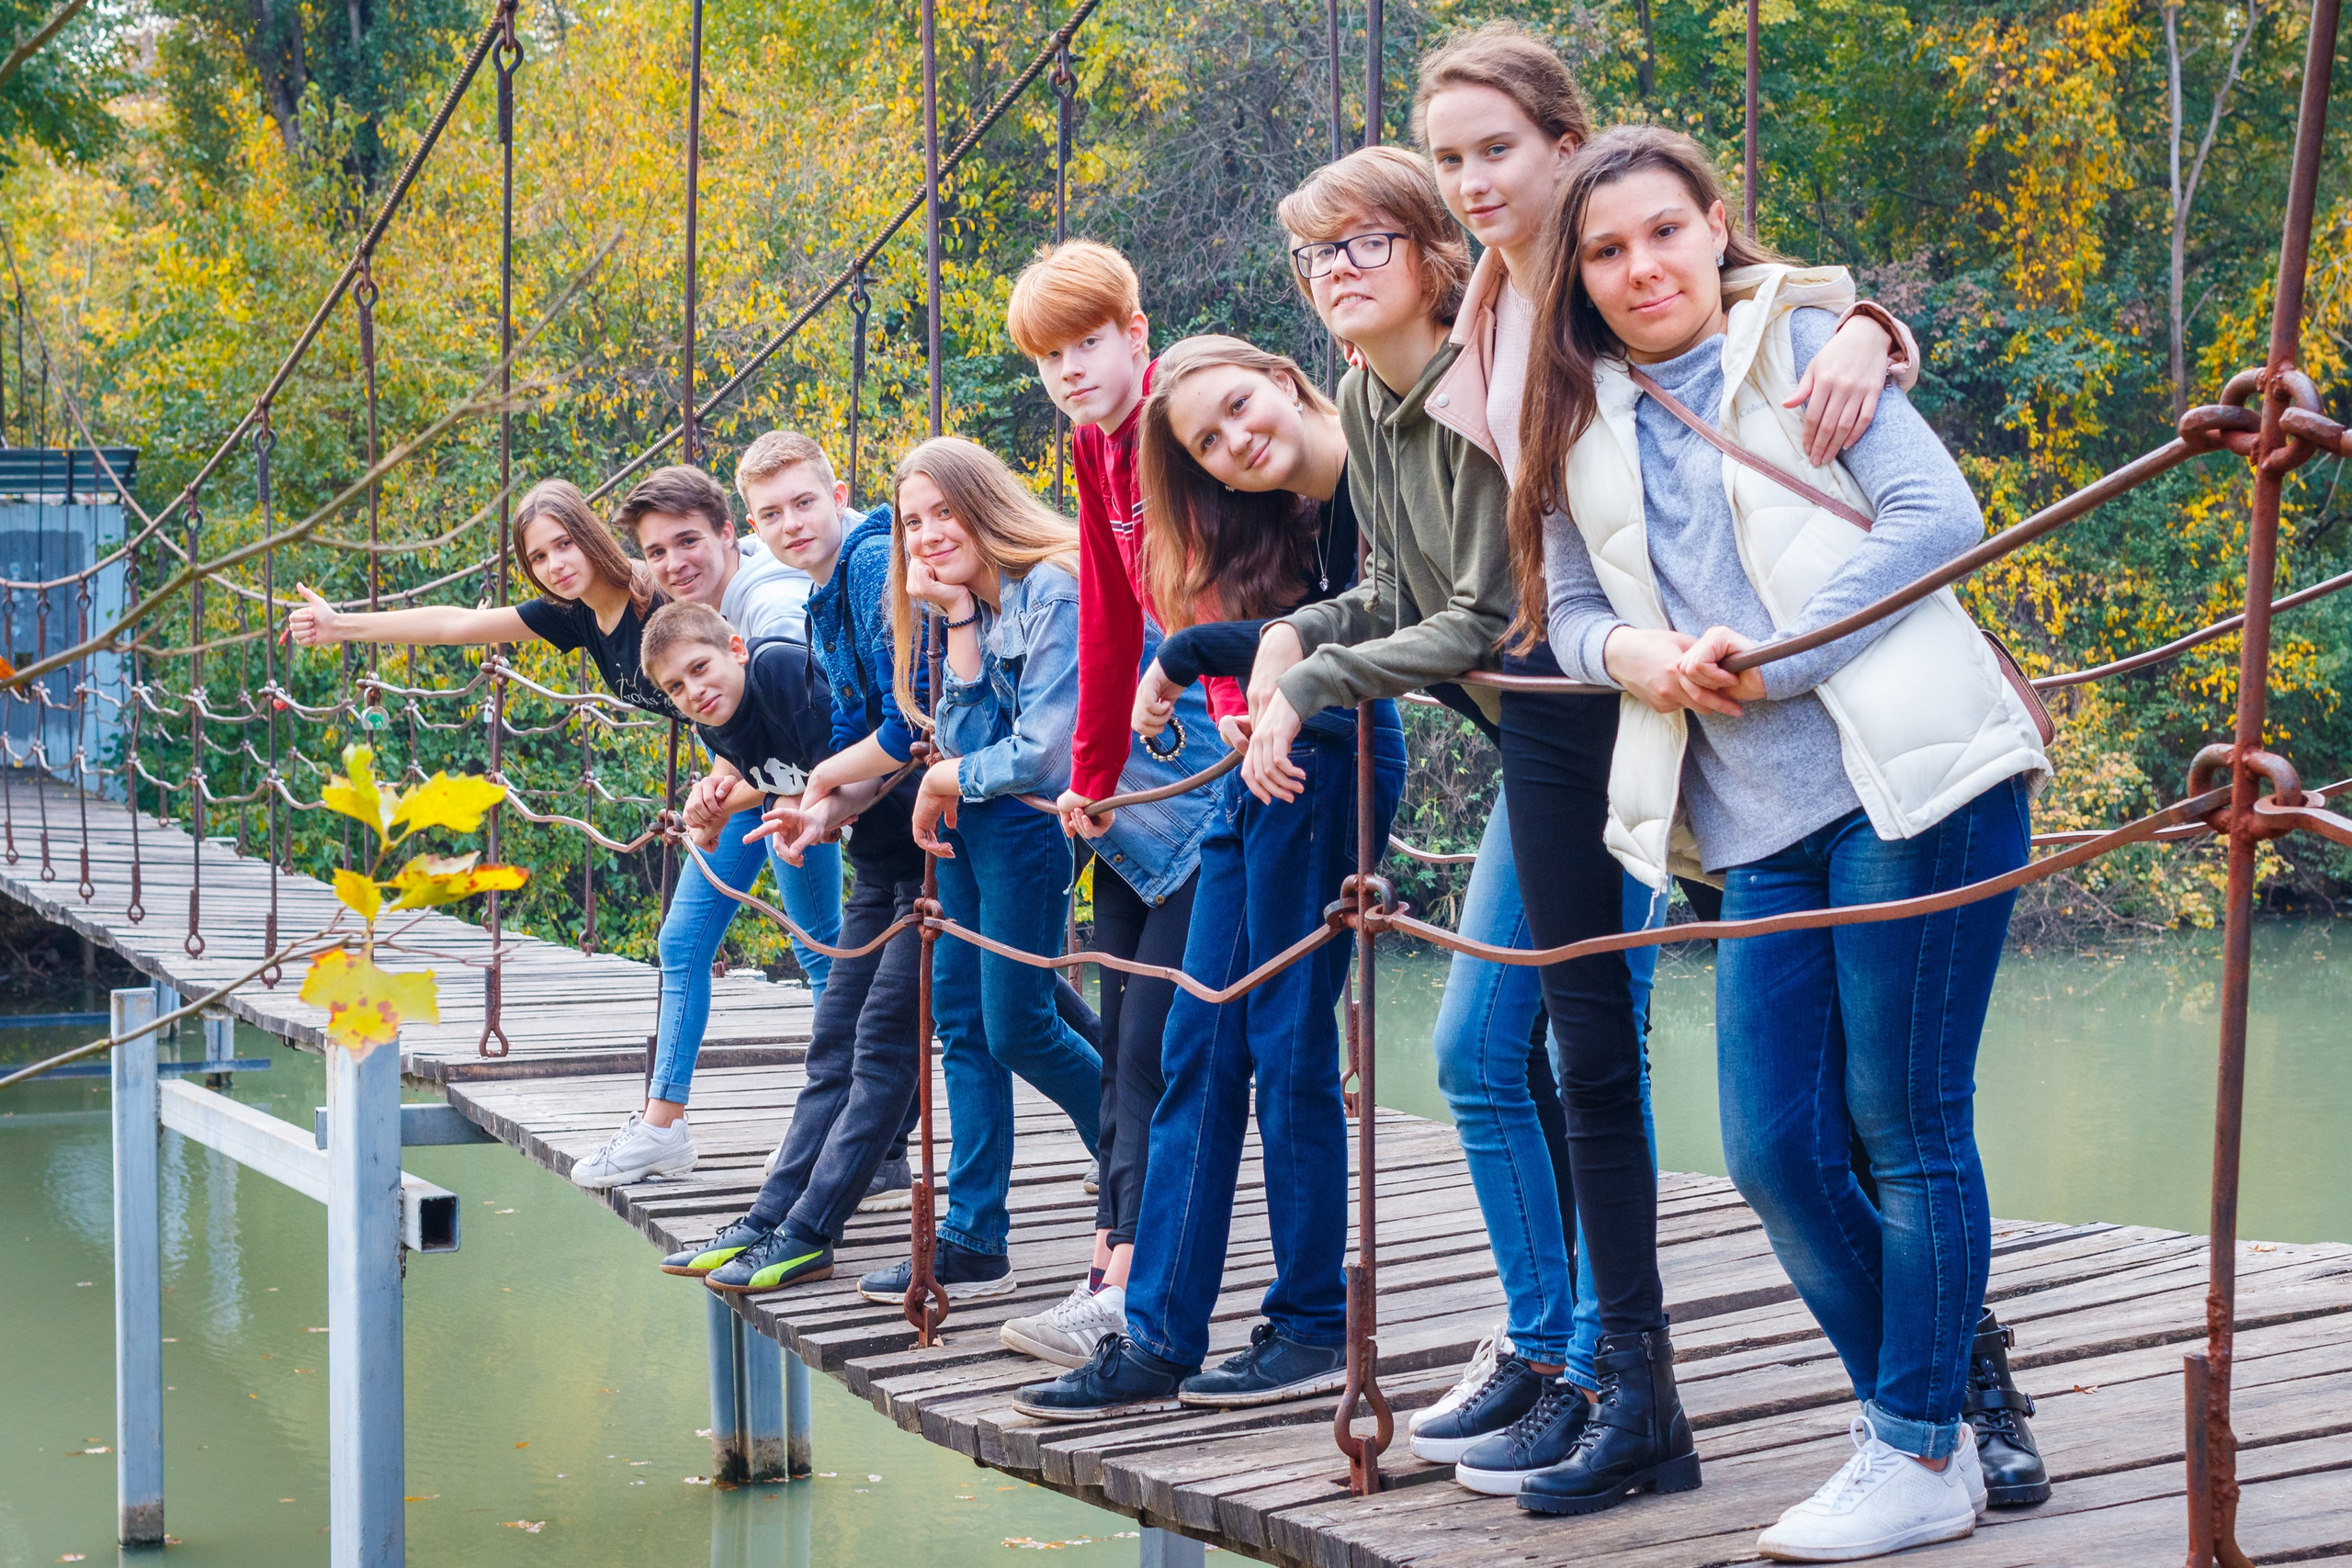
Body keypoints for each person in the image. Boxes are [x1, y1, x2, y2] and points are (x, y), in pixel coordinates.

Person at [1399, 19, 1930, 1503]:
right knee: (1580, 1053)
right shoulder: (1486, 306)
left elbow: (1778, 305)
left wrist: (1876, 326)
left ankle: (1949, 1386)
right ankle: (1612, 1375)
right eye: (1449, 159)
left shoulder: (1629, 266)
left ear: (1565, 144)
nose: (1473, 181)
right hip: (1579, 695)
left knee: (1842, 1096)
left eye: (1497, 149)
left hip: (1711, 706)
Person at [1521, 125, 2050, 1558]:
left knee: (1908, 1121)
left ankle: (1915, 1441)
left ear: (1714, 225)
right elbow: (1572, 613)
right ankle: (1926, 1424)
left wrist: (1779, 654)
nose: (1642, 267)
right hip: (1755, 824)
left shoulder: (1807, 339)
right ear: (1578, 275)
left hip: (1911, 786)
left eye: (1664, 231)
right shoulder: (1573, 419)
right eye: (1607, 250)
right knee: (1771, 1145)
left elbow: (1938, 513)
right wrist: (1638, 654)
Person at [1005, 344, 1410, 1416]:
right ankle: (1159, 1335)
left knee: (1286, 1044)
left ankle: (1310, 1322)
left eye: (1237, 409)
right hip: (1260, 768)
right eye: (1207, 442)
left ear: (1282, 377)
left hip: (1331, 758)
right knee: (1197, 1043)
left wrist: (1182, 659)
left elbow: (1378, 618)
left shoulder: (1369, 470)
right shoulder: (1269, 508)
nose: (1234, 442)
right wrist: (1192, 671)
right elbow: (1261, 621)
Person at [285, 468, 841, 1189]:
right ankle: (663, 1129)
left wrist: (730, 782)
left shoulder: (663, 587)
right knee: (684, 943)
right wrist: (342, 627)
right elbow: (458, 625)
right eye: (539, 556)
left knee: (820, 947)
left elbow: (767, 656)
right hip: (738, 775)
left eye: (565, 544)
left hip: (788, 770)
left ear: (592, 535)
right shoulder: (575, 616)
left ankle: (836, 1122)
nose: (556, 564)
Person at [776, 437, 1103, 1306]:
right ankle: (974, 1235)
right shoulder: (973, 604)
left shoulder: (1052, 588)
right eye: (912, 521)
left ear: (986, 504)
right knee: (960, 1023)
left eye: (944, 512)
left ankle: (1135, 1162)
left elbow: (1039, 755)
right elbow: (956, 737)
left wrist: (943, 780)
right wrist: (955, 618)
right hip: (966, 828)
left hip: (1030, 826)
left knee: (1018, 1026)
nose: (925, 535)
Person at [994, 242, 1227, 1368]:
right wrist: (1087, 778)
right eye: (1049, 358)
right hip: (1145, 776)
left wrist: (1239, 704)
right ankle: (1110, 1274)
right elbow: (1106, 617)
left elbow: (1249, 578)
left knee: (1173, 1045)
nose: (1070, 372)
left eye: (1087, 344)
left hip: (1224, 754)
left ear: (1137, 334)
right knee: (1129, 1027)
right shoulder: (1094, 445)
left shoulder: (1184, 420)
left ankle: (1146, 1288)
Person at [636, 588, 924, 1292]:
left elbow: (857, 759)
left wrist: (807, 807)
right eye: (676, 688)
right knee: (833, 1047)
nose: (693, 692)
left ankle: (808, 1232)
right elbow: (778, 779)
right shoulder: (720, 727)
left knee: (883, 1049)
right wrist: (717, 807)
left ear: (734, 648)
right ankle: (769, 1218)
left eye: (700, 669)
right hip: (879, 867)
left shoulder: (780, 670)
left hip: (936, 859)